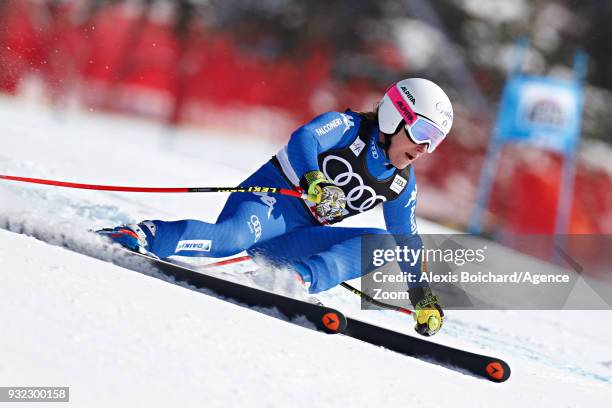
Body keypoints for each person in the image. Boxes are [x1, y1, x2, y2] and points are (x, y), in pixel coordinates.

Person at [99, 78, 453, 336]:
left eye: (435, 141)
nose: (424, 147)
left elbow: (406, 239)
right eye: (422, 132)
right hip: (269, 204)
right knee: (229, 239)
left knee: (382, 242)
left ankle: (293, 280)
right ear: (396, 116)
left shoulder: (401, 184)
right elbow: (305, 138)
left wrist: (421, 295)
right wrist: (314, 180)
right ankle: (141, 234)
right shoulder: (349, 128)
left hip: (296, 238)